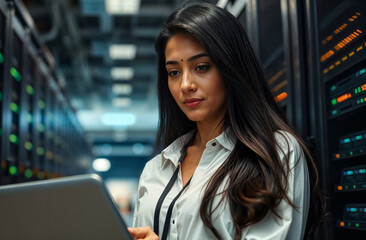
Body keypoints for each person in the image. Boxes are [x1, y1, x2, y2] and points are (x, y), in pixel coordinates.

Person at [127, 3, 325, 240]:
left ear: (231, 67)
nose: (185, 85)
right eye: (174, 72)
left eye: (201, 67)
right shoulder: (156, 168)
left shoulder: (276, 154)